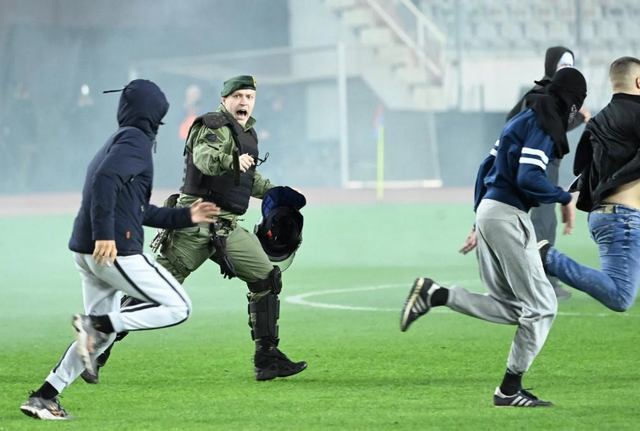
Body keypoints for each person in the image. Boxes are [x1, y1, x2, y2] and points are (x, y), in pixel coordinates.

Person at [19, 79, 220, 420]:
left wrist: (187, 216)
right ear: (155, 116)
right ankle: (94, 323)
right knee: (179, 307)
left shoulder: (119, 140)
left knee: (103, 338)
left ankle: (44, 396)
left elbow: (139, 210)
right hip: (112, 250)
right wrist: (105, 235)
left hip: (88, 252)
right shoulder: (136, 141)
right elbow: (104, 182)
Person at [87, 75, 307, 382]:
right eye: (238, 96)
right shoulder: (212, 126)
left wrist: (275, 193)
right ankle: (95, 348)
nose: (244, 102)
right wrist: (233, 160)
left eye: (249, 97)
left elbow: (247, 178)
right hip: (193, 225)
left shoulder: (247, 134)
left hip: (227, 227)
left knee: (267, 278)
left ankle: (267, 358)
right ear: (225, 99)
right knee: (150, 295)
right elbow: (205, 161)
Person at [401, 68, 588, 407]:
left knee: (516, 307)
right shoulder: (544, 123)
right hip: (508, 216)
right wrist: (563, 198)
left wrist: (479, 219)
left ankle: (437, 294)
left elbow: (483, 170)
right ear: (572, 103)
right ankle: (509, 390)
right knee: (543, 306)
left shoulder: (521, 119)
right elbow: (529, 176)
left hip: (491, 210)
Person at [460, 46, 591, 300]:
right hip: (536, 170)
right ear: (551, 64)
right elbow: (547, 132)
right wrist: (580, 119)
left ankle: (527, 281)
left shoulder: (538, 97)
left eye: (570, 63)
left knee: (535, 222)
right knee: (541, 222)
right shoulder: (545, 99)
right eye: (563, 63)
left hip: (519, 175)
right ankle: (541, 282)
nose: (567, 67)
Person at [541, 56, 640, 312]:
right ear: (639, 82)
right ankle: (548, 257)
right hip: (625, 219)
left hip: (603, 218)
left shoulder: (597, 121)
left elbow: (581, 167)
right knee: (620, 296)